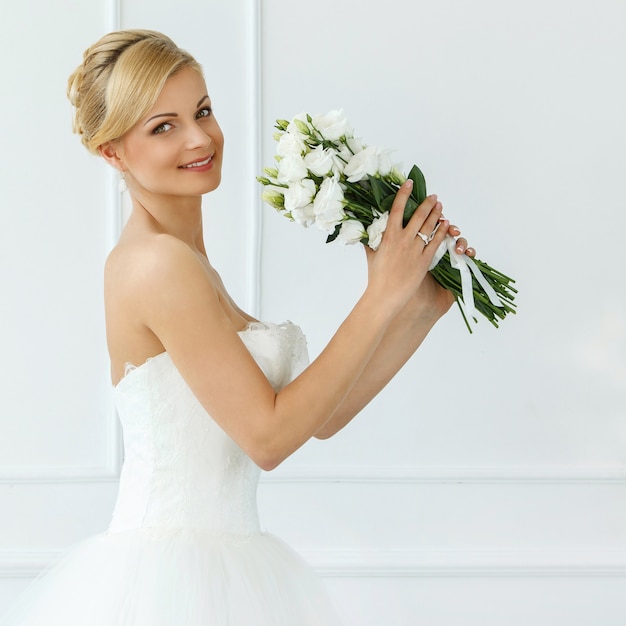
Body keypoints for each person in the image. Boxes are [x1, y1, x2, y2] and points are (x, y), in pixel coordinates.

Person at [0, 29, 476, 626]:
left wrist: (419, 304)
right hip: (168, 583)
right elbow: (268, 438)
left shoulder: (189, 263)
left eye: (202, 111)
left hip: (224, 565)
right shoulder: (155, 265)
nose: (201, 138)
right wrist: (380, 295)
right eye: (163, 125)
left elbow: (319, 416)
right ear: (112, 152)